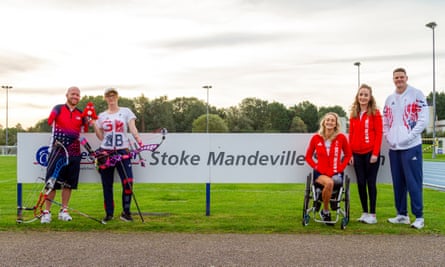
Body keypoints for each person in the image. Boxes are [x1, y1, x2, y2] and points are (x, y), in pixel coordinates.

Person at [383, 68, 429, 229]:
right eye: (396, 77)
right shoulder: (389, 99)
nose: (399, 80)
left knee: (413, 182)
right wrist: (389, 138)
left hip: (411, 146)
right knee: (398, 183)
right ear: (393, 79)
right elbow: (386, 122)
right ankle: (401, 214)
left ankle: (419, 217)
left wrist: (408, 138)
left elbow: (423, 120)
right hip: (394, 148)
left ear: (406, 78)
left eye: (401, 77)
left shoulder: (417, 94)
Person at [94, 88, 143, 222]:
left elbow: (132, 127)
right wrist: (93, 124)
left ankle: (126, 212)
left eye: (113, 95)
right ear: (105, 98)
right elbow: (100, 136)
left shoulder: (126, 111)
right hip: (106, 152)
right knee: (107, 184)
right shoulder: (102, 116)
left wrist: (138, 139)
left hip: (122, 151)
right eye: (108, 96)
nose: (111, 98)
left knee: (128, 182)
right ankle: (109, 214)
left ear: (117, 97)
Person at [41, 86, 89, 223]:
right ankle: (47, 212)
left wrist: (90, 119)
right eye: (73, 94)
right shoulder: (58, 108)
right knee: (52, 183)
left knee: (68, 184)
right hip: (57, 152)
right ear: (67, 95)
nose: (75, 96)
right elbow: (50, 122)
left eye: (78, 95)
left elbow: (85, 130)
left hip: (74, 153)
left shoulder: (81, 113)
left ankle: (64, 210)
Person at [305, 112, 352, 224]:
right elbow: (308, 156)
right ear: (324, 122)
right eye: (328, 120)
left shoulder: (341, 138)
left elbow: (348, 155)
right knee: (329, 183)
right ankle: (325, 211)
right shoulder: (316, 138)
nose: (330, 122)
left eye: (332, 120)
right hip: (320, 173)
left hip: (336, 172)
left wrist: (341, 167)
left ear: (336, 124)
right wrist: (315, 166)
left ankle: (326, 206)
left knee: (333, 182)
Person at [349, 84, 383, 224]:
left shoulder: (375, 113)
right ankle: (364, 213)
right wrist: (350, 154)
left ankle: (373, 215)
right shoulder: (353, 114)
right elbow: (351, 135)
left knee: (371, 183)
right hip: (357, 154)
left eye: (365, 95)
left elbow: (379, 133)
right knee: (361, 183)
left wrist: (375, 153)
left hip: (371, 154)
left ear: (370, 97)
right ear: (357, 97)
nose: (363, 97)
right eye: (361, 94)